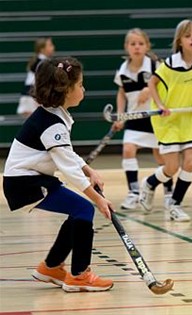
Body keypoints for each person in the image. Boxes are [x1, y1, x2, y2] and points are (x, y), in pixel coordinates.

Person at [3, 57, 114, 292]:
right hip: (24, 183)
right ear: (66, 90)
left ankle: (51, 267)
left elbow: (67, 154)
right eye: (81, 84)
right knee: (84, 209)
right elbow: (67, 168)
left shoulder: (55, 114)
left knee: (78, 211)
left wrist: (88, 169)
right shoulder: (52, 124)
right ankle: (79, 275)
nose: (84, 89)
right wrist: (98, 199)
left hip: (31, 178)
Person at [140, 19, 192, 222]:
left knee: (190, 163)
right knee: (172, 168)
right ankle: (149, 183)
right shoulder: (169, 64)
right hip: (169, 120)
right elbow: (152, 83)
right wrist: (159, 105)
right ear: (179, 41)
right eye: (187, 35)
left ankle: (175, 204)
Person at [111, 28, 174, 210]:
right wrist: (120, 115)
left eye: (140, 44)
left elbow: (168, 84)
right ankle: (133, 193)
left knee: (161, 156)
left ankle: (169, 193)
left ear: (147, 46)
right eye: (133, 44)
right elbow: (121, 93)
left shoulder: (155, 65)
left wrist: (150, 89)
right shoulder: (122, 70)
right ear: (126, 47)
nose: (136, 47)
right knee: (128, 150)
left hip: (155, 117)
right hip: (134, 117)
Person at [17, 37, 55, 118]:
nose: (53, 47)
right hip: (31, 97)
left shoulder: (41, 61)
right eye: (50, 45)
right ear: (42, 49)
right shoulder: (42, 63)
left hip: (32, 96)